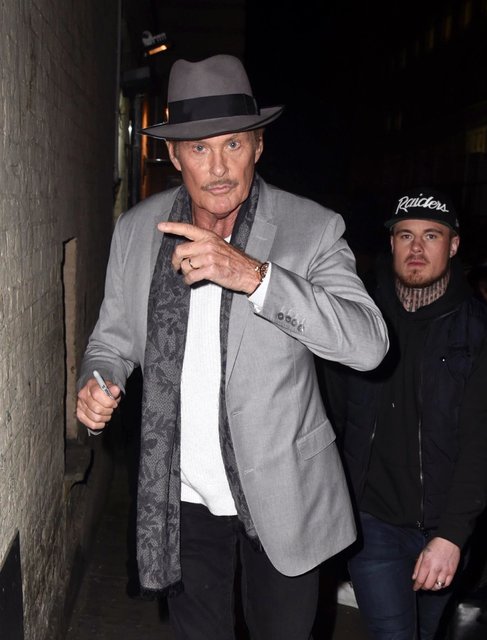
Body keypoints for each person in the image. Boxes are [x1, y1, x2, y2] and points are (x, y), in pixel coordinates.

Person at [76, 54, 389, 640]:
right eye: (199, 148)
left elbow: (369, 344)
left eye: (234, 145)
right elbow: (111, 340)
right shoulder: (136, 230)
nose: (218, 168)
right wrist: (98, 379)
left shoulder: (312, 228)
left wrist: (255, 276)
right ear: (175, 156)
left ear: (258, 147)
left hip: (283, 495)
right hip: (183, 496)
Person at [329, 187, 487, 640]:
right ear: (392, 243)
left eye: (431, 236)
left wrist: (452, 536)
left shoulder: (477, 330)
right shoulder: (357, 318)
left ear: (453, 245)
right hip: (372, 522)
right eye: (405, 235)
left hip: (446, 526)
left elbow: (480, 443)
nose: (416, 248)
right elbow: (330, 415)